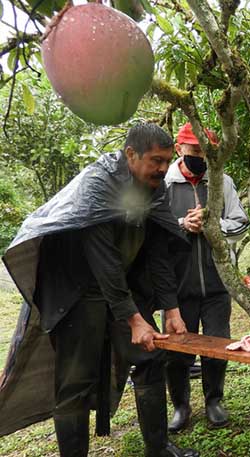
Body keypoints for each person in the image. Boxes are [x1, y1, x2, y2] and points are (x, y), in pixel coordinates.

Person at [0, 123, 198, 457]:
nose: (163, 168)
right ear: (131, 155)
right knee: (75, 382)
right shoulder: (97, 183)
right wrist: (134, 319)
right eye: (156, 160)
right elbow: (103, 259)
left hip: (122, 284)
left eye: (167, 160)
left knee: (150, 357)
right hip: (77, 292)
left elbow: (158, 250)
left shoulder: (155, 186)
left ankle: (159, 447)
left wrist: (172, 309)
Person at [164, 122, 249, 432]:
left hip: (216, 284)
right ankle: (180, 407)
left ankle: (214, 400)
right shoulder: (166, 184)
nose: (201, 155)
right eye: (194, 150)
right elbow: (153, 230)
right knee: (176, 351)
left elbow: (241, 224)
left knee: (218, 343)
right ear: (180, 149)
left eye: (205, 150)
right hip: (177, 284)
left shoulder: (221, 182)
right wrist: (181, 224)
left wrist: (213, 223)